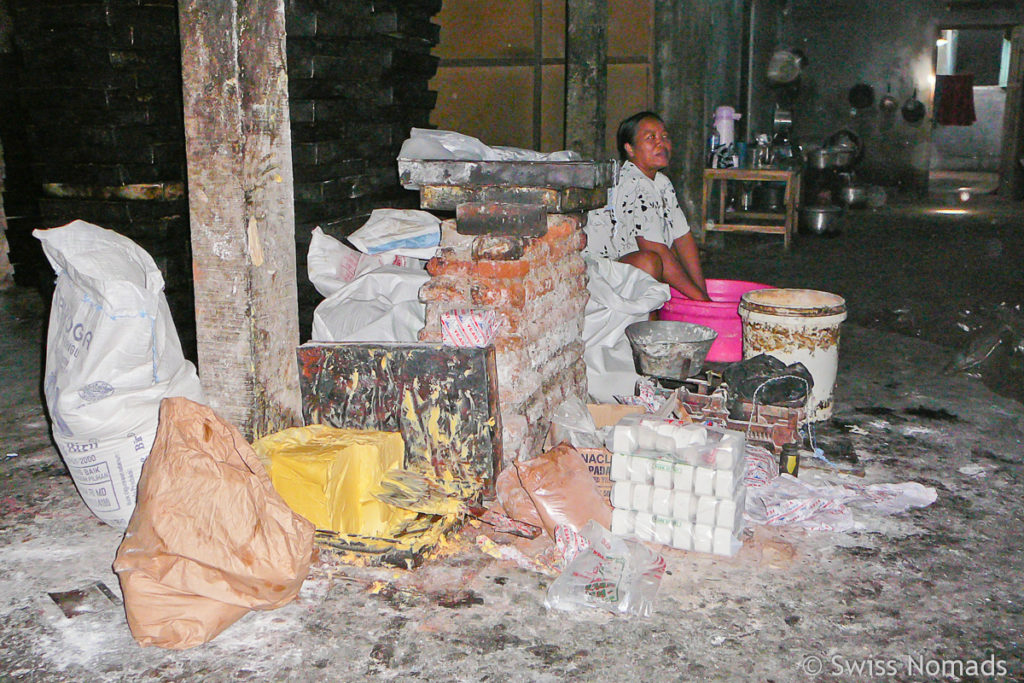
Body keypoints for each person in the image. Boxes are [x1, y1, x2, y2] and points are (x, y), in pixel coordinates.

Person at [585, 111, 710, 301]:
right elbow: (654, 249)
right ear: (630, 149)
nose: (661, 143)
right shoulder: (633, 182)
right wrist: (701, 300)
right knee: (651, 261)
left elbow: (683, 237)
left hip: (623, 265)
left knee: (672, 253)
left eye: (665, 137)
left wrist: (703, 293)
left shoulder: (661, 182)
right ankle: (647, 322)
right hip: (596, 272)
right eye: (651, 138)